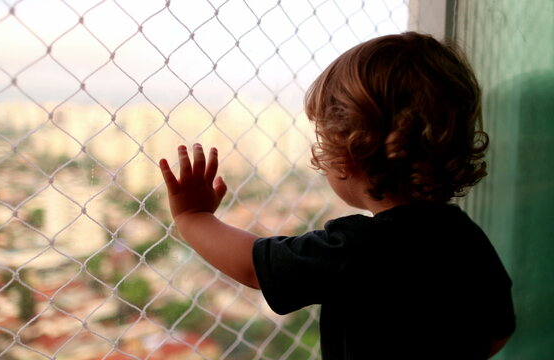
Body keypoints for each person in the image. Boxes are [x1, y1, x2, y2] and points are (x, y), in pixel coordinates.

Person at [159, 32, 515, 359]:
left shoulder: (359, 247)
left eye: (324, 138)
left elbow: (254, 267)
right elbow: (498, 332)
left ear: (349, 154)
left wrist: (192, 216)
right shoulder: (464, 234)